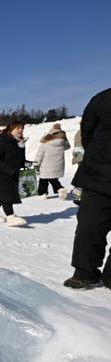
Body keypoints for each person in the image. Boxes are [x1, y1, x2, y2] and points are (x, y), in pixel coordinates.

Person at [64, 88, 111, 289]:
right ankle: (84, 272)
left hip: (98, 168)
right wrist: (98, 155)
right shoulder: (104, 98)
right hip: (99, 173)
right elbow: (87, 132)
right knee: (89, 226)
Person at [0, 121, 27, 226]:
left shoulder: (17, 142)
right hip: (0, 174)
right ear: (11, 129)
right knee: (6, 195)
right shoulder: (2, 140)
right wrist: (10, 169)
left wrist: (22, 151)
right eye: (18, 128)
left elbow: (20, 160)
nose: (21, 130)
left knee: (1, 195)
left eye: (22, 128)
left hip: (11, 174)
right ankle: (11, 217)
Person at [34, 123, 70, 200]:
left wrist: (36, 166)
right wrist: (64, 137)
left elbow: (38, 157)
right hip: (58, 166)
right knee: (52, 179)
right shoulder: (62, 143)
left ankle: (42, 194)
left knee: (43, 180)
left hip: (45, 167)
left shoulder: (45, 144)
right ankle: (60, 189)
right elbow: (68, 146)